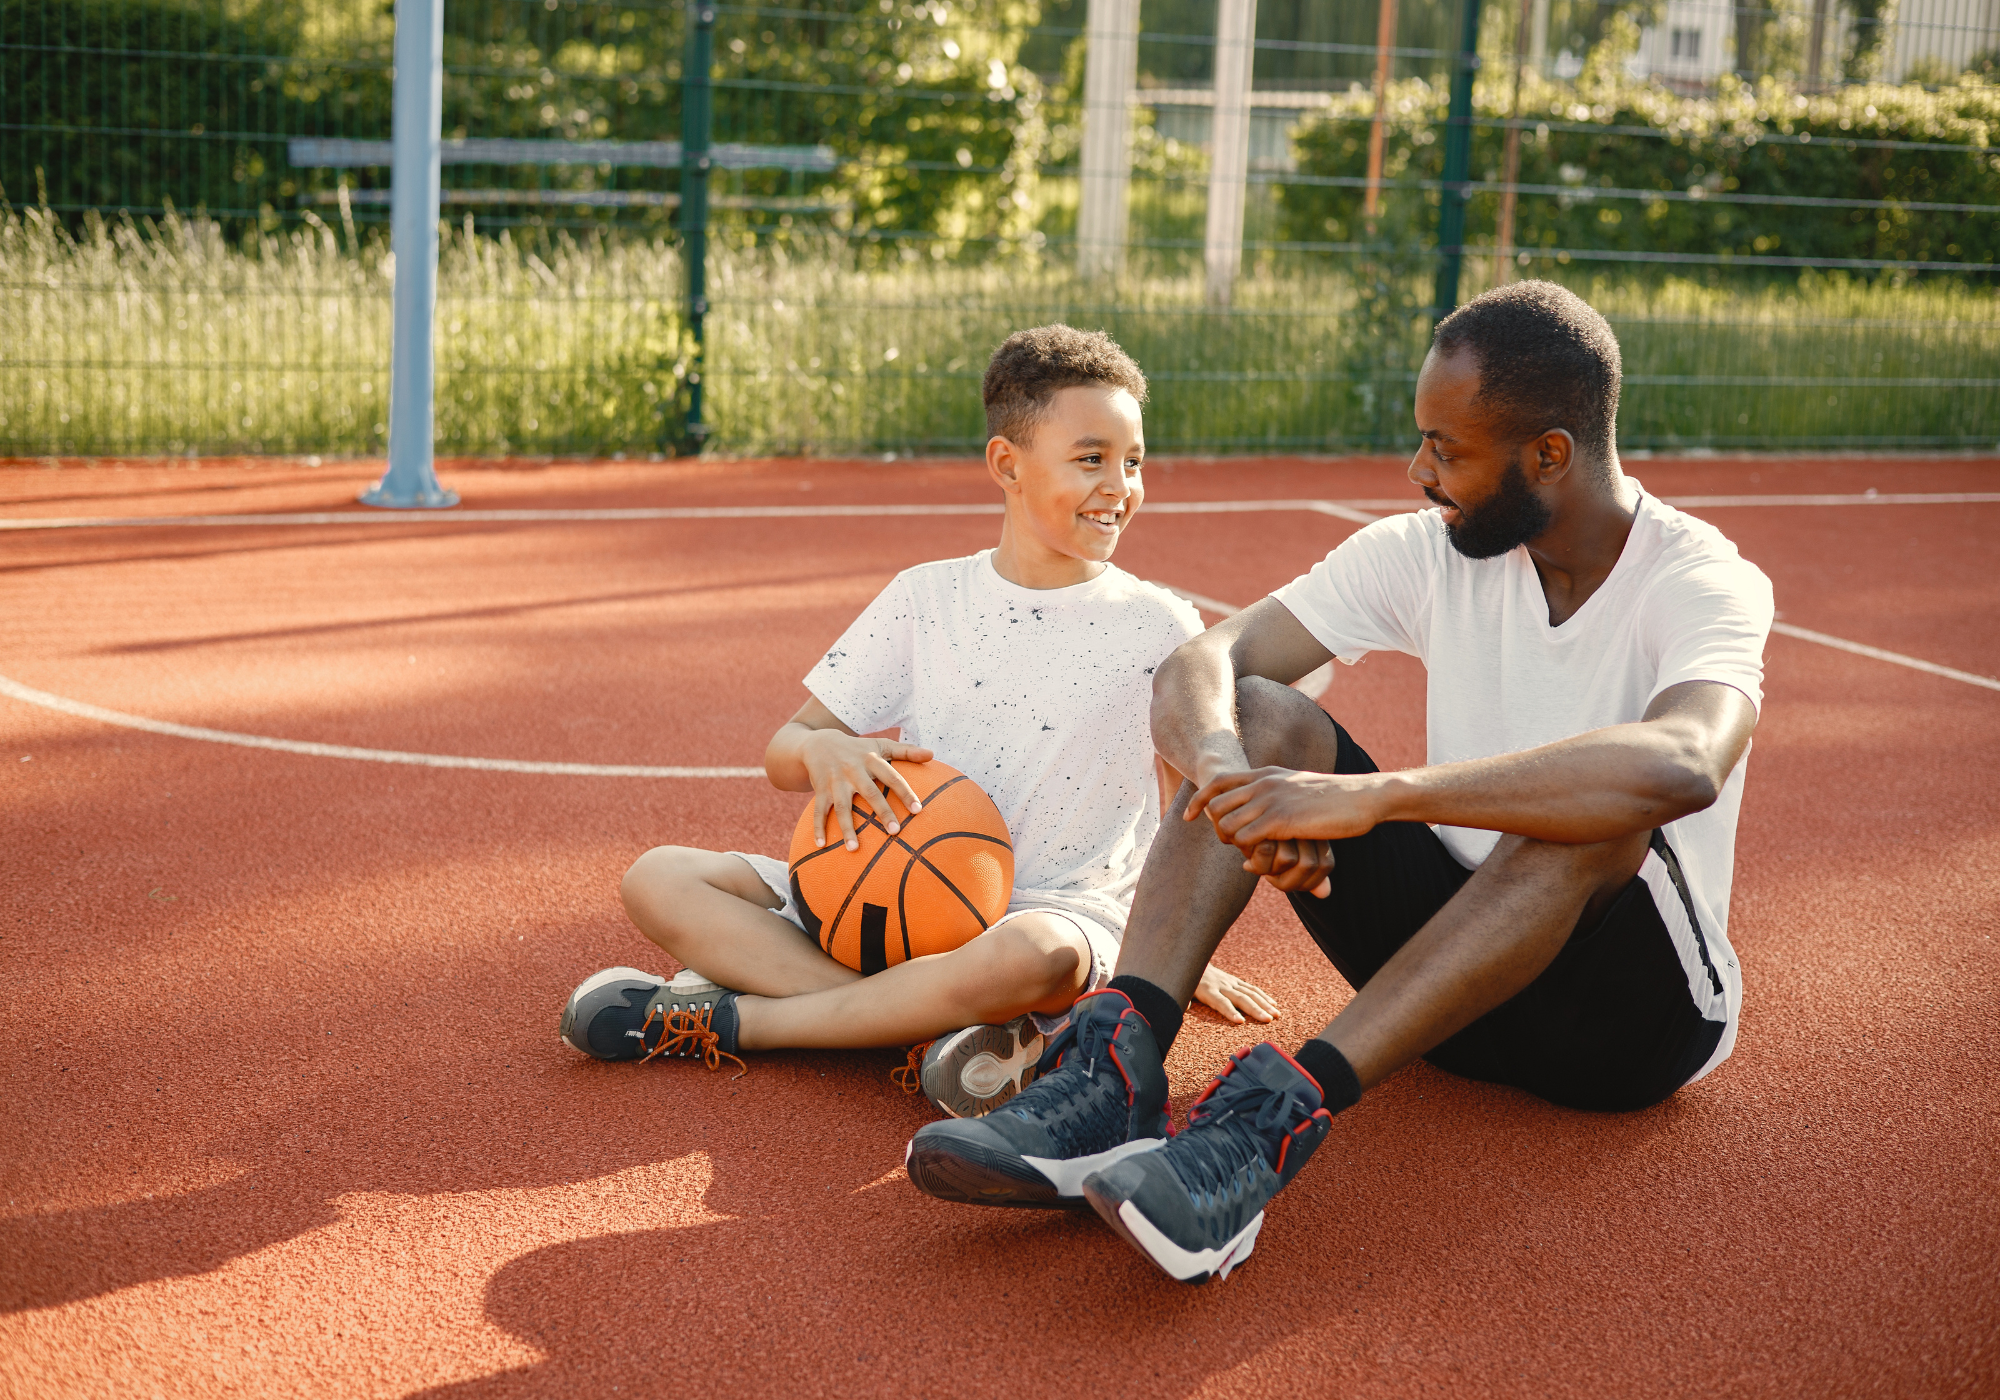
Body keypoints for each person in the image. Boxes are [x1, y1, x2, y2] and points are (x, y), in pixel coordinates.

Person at [907, 281, 1775, 1279]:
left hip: (1627, 1024)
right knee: (1261, 712)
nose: (1417, 470)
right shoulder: (1428, 552)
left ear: (1547, 455)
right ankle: (1113, 1069)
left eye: (1445, 450)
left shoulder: (1697, 578)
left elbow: (1682, 761)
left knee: (1594, 814)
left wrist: (1376, 794)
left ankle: (1268, 1120)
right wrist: (1236, 781)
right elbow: (1202, 661)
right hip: (1451, 989)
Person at [559, 324, 1278, 1118]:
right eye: (1090, 459)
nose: (1121, 484)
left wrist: (1175, 950)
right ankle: (933, 1032)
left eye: (1133, 460)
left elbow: (1187, 817)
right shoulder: (926, 598)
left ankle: (742, 1022)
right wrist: (827, 750)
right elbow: (784, 749)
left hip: (1054, 911)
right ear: (1007, 464)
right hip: (883, 887)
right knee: (658, 877)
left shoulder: (1162, 625)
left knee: (1033, 955)